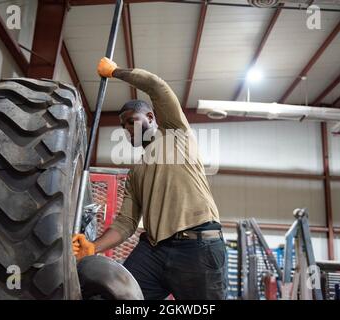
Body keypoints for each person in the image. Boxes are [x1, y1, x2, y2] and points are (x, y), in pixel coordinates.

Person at [73, 57, 227, 300]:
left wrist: (115, 72)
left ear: (152, 118)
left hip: (197, 247)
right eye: (123, 127)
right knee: (115, 297)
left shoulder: (177, 134)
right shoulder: (136, 172)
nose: (126, 129)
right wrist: (93, 247)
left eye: (132, 121)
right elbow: (126, 223)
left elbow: (156, 86)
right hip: (154, 251)